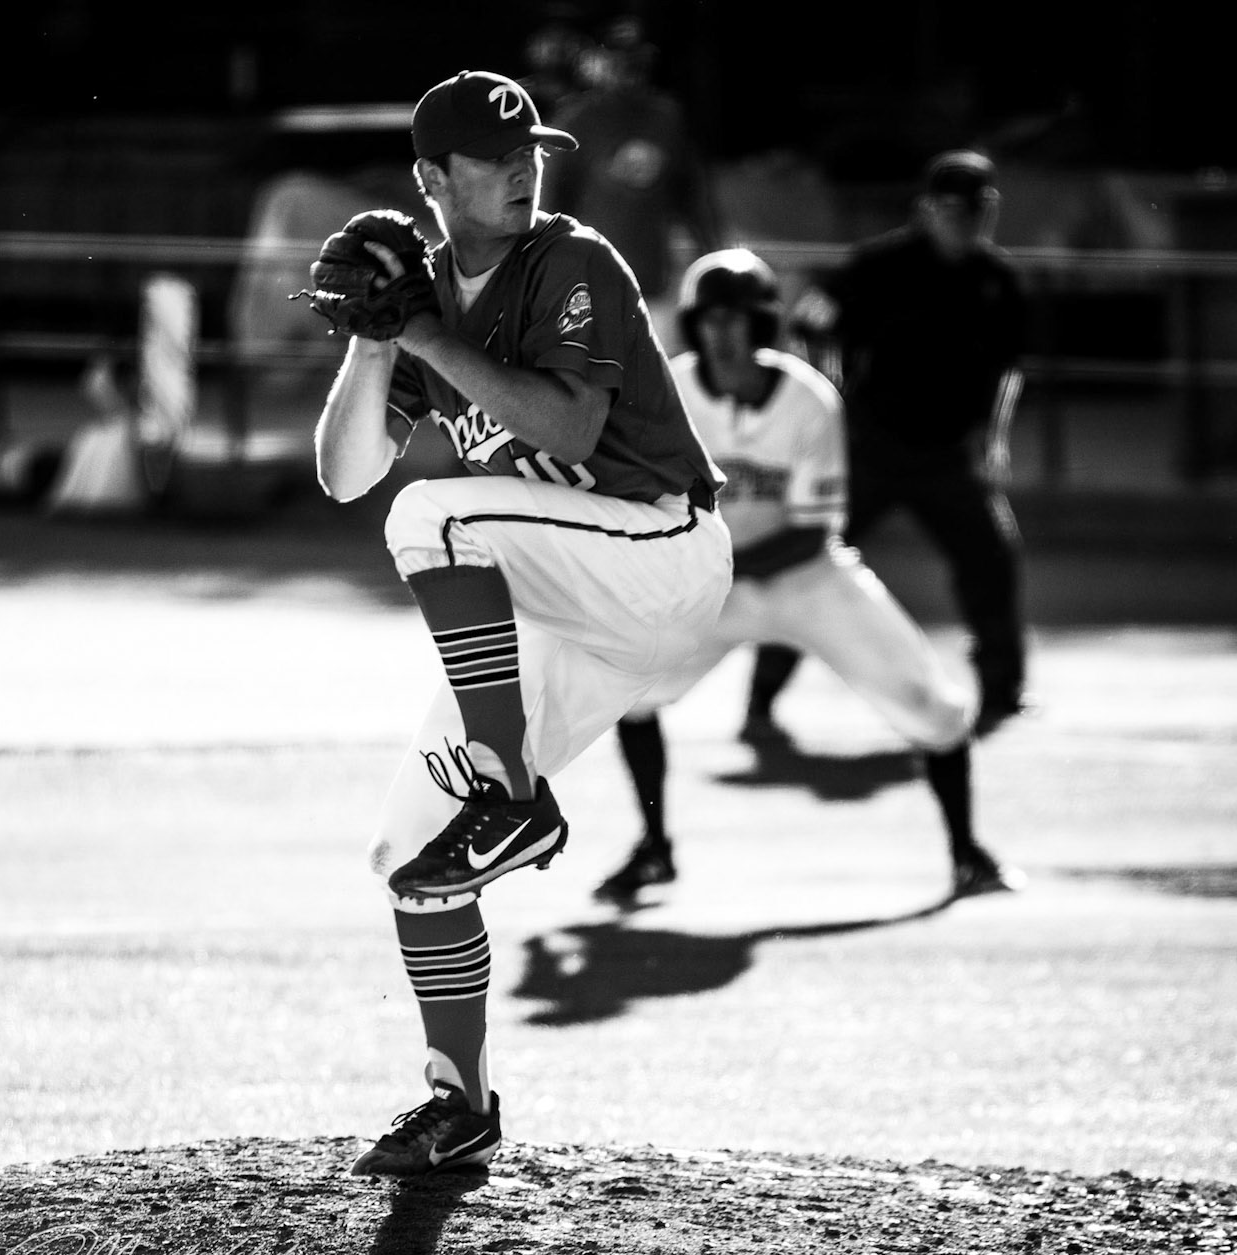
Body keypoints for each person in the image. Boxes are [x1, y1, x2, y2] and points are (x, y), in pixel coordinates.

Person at [313, 68, 732, 1176]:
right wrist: (372, 341)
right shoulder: (432, 298)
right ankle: (462, 1104)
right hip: (569, 608)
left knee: (434, 516)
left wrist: (431, 341)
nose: (522, 167)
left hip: (659, 553)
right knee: (411, 857)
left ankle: (511, 797)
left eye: (530, 149)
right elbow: (342, 473)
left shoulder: (572, 261)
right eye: (496, 156)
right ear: (430, 179)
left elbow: (569, 419)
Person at [597, 247, 1022, 903]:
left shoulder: (807, 398)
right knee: (630, 695)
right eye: (711, 318)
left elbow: (810, 531)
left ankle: (969, 856)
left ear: (764, 325)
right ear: (693, 323)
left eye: (739, 318)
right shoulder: (666, 391)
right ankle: (654, 849)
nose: (724, 333)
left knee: (934, 709)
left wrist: (707, 567)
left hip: (806, 579)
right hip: (709, 587)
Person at [744, 150, 1028, 742]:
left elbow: (1008, 370)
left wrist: (994, 440)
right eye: (950, 209)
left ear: (990, 211)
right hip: (867, 450)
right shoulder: (879, 266)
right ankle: (761, 701)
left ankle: (1003, 691)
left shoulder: (998, 282)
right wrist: (825, 411)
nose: (962, 221)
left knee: (993, 560)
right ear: (927, 209)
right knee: (806, 562)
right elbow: (808, 327)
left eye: (973, 210)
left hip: (948, 453)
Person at [541, 16, 718, 307]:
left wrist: (711, 254)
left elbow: (693, 196)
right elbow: (550, 202)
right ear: (600, 62)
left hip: (651, 282)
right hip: (588, 283)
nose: (631, 71)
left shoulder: (666, 116)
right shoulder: (576, 118)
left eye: (638, 62)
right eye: (621, 61)